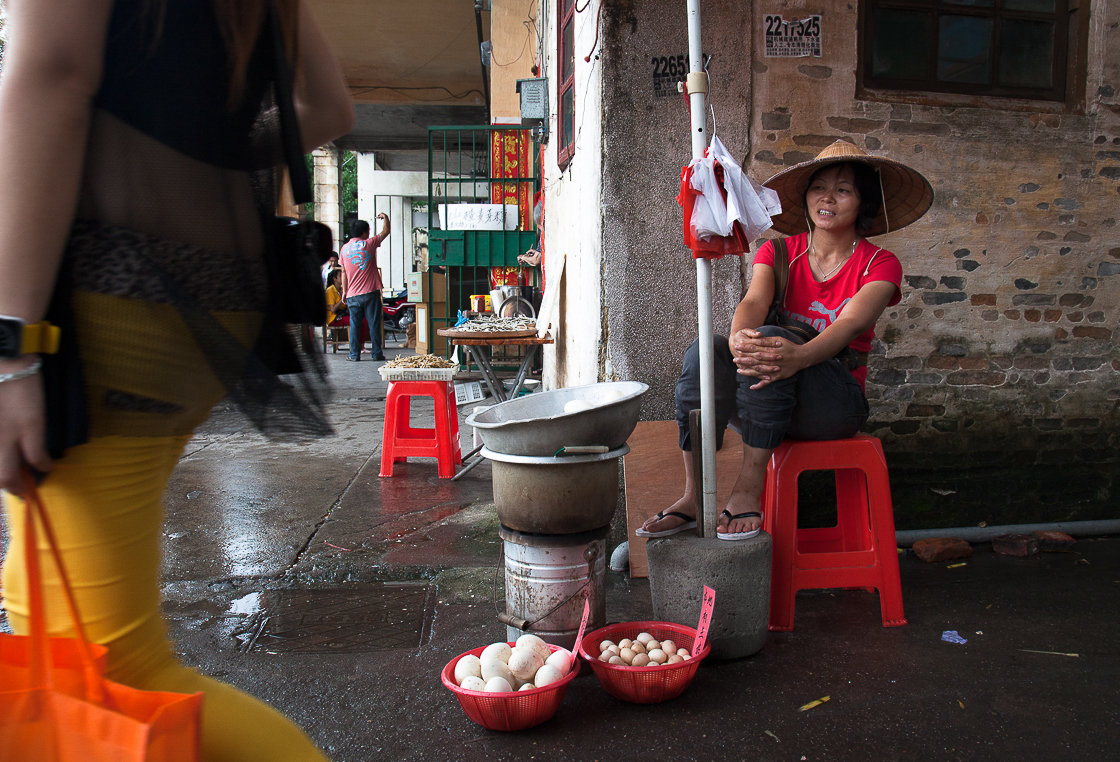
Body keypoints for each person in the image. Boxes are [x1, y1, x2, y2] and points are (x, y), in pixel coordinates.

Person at [0, 1, 353, 759]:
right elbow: (326, 105)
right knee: (40, 615)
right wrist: (198, 150)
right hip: (212, 308)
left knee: (106, 671)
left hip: (108, 303)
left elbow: (51, 72)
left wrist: (11, 347)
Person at [637, 140, 932, 541]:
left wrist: (799, 356)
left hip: (832, 404)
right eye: (819, 188)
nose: (827, 198)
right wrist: (741, 337)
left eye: (843, 190)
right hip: (763, 398)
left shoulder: (879, 264)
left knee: (774, 341)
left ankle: (747, 488)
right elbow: (754, 301)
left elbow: (848, 325)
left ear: (862, 203)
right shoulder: (778, 252)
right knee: (705, 351)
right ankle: (693, 497)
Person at [339, 214, 390, 362]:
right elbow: (386, 231)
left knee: (355, 325)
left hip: (352, 294)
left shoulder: (344, 249)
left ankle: (354, 354)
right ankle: (376, 353)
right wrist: (385, 217)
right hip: (370, 292)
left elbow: (343, 272)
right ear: (364, 233)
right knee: (374, 324)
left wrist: (344, 291)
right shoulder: (369, 244)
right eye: (368, 231)